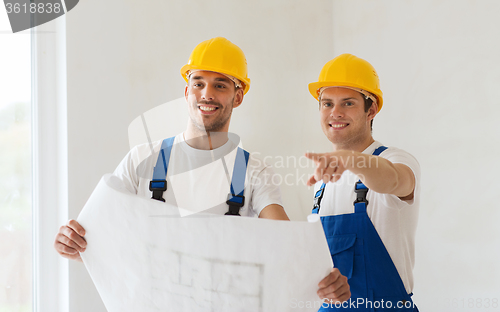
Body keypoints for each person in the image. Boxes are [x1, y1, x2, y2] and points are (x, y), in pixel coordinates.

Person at [53, 37, 350, 305]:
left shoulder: (253, 171)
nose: (207, 94)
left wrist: (324, 279)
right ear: (186, 91)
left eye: (220, 84)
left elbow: (287, 246)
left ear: (237, 97)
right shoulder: (142, 159)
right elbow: (95, 239)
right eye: (198, 83)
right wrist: (72, 244)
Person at [305, 54, 420, 311]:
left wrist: (350, 159)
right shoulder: (321, 185)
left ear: (371, 109)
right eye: (327, 104)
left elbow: (393, 180)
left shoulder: (395, 159)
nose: (335, 113)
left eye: (348, 103)